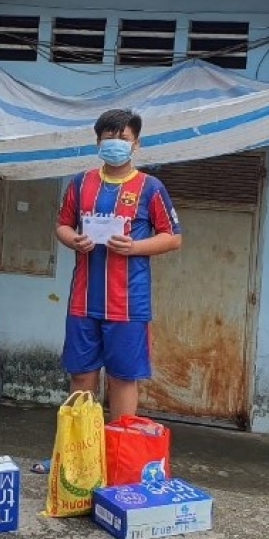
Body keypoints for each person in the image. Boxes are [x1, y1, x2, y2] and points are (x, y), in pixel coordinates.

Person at [34, 108, 182, 474]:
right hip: (84, 299)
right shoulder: (81, 183)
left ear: (137, 144)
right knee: (81, 376)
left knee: (122, 377)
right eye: (108, 138)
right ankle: (74, 457)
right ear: (97, 141)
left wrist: (135, 247)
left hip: (128, 303)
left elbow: (173, 238)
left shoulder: (150, 187)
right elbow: (62, 226)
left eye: (124, 138)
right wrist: (75, 240)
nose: (115, 144)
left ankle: (119, 458)